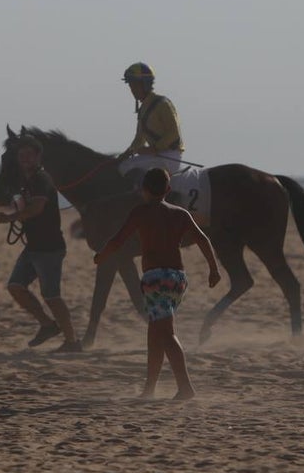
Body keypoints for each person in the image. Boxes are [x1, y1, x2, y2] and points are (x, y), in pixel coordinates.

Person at [93, 167, 221, 400]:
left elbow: (118, 240)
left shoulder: (140, 212)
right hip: (177, 279)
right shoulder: (181, 213)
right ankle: (149, 389)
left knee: (166, 334)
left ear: (143, 189)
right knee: (155, 335)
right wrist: (213, 269)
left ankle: (186, 387)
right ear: (168, 189)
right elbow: (202, 239)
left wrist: (102, 256)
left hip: (156, 280)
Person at [0, 137, 81, 352]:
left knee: (52, 296)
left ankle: (72, 341)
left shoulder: (41, 179)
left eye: (29, 155)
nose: (25, 159)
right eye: (21, 155)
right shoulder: (26, 182)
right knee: (15, 286)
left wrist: (9, 218)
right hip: (33, 247)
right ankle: (47, 325)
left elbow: (36, 209)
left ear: (38, 157)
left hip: (49, 248)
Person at [117, 62, 185, 185]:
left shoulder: (163, 104)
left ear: (146, 84)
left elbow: (174, 133)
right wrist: (126, 154)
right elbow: (139, 140)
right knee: (124, 163)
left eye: (135, 85)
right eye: (131, 86)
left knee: (126, 166)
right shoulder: (143, 109)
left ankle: (141, 193)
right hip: (158, 155)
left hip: (170, 155)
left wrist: (154, 148)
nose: (132, 90)